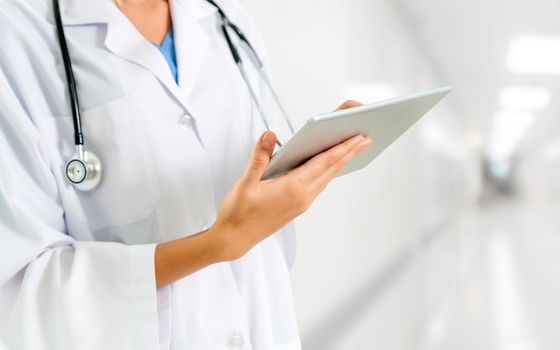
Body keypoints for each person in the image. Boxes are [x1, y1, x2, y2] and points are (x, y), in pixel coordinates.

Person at [0, 0, 372, 348]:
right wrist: (216, 244)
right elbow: (18, 287)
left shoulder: (224, 17)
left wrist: (300, 167)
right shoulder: (16, 34)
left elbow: (260, 215)